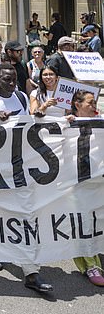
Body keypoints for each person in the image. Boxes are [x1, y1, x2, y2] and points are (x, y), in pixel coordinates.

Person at [0, 63, 53, 293]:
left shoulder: (20, 97)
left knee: (26, 214)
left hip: (20, 167)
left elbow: (27, 127)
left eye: (14, 79)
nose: (12, 83)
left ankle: (31, 272)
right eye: (7, 80)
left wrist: (36, 116)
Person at [65, 90, 104, 286]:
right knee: (84, 223)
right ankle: (90, 265)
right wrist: (65, 124)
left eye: (95, 102)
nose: (94, 106)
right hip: (77, 182)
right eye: (90, 103)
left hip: (98, 182)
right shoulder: (67, 124)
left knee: (98, 221)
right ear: (77, 105)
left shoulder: (101, 122)